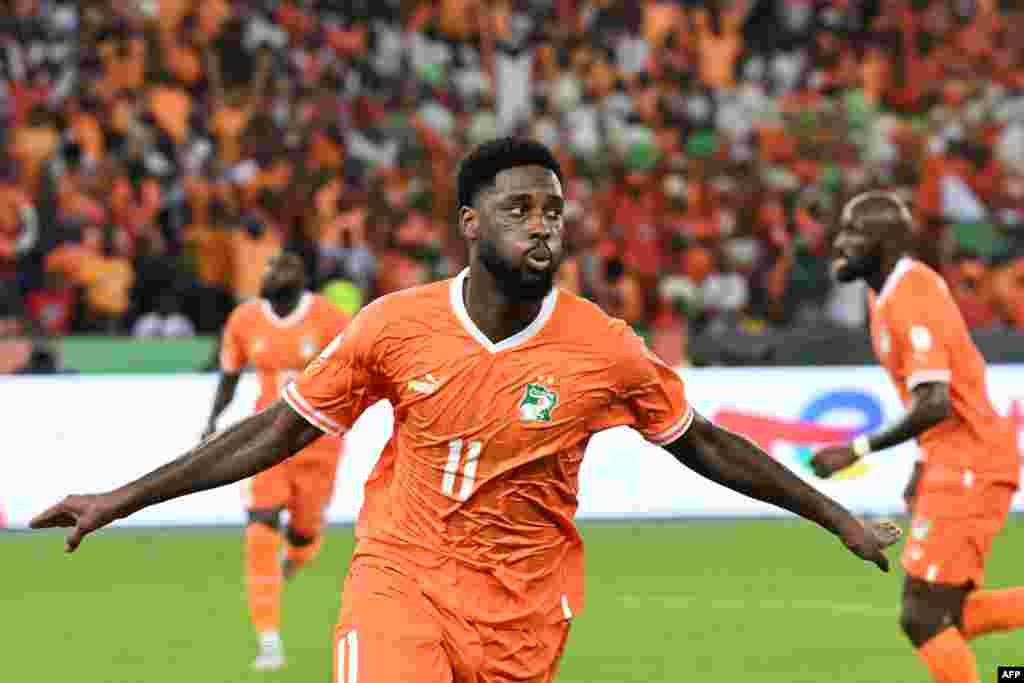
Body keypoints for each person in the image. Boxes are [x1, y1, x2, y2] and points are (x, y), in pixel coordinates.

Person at [33, 138, 900, 682]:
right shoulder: (393, 326)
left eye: (554, 211)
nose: (543, 227)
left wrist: (835, 518)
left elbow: (702, 443)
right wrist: (120, 497)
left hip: (524, 614)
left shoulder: (604, 348)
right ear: (470, 223)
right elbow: (274, 428)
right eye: (520, 208)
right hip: (400, 580)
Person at [812, 191, 1023, 683]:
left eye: (854, 233)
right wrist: (923, 465)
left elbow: (934, 401)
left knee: (923, 617)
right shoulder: (882, 292)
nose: (840, 243)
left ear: (885, 244)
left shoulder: (913, 296)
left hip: (972, 462)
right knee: (948, 615)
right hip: (953, 458)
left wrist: (857, 449)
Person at [202, 251, 351, 671]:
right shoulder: (244, 321)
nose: (270, 277)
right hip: (267, 441)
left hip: (318, 443)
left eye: (279, 271)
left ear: (299, 282)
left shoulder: (330, 319)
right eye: (268, 271)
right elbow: (229, 378)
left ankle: (299, 553)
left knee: (304, 532)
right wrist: (212, 422)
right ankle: (268, 639)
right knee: (261, 521)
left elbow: (357, 373)